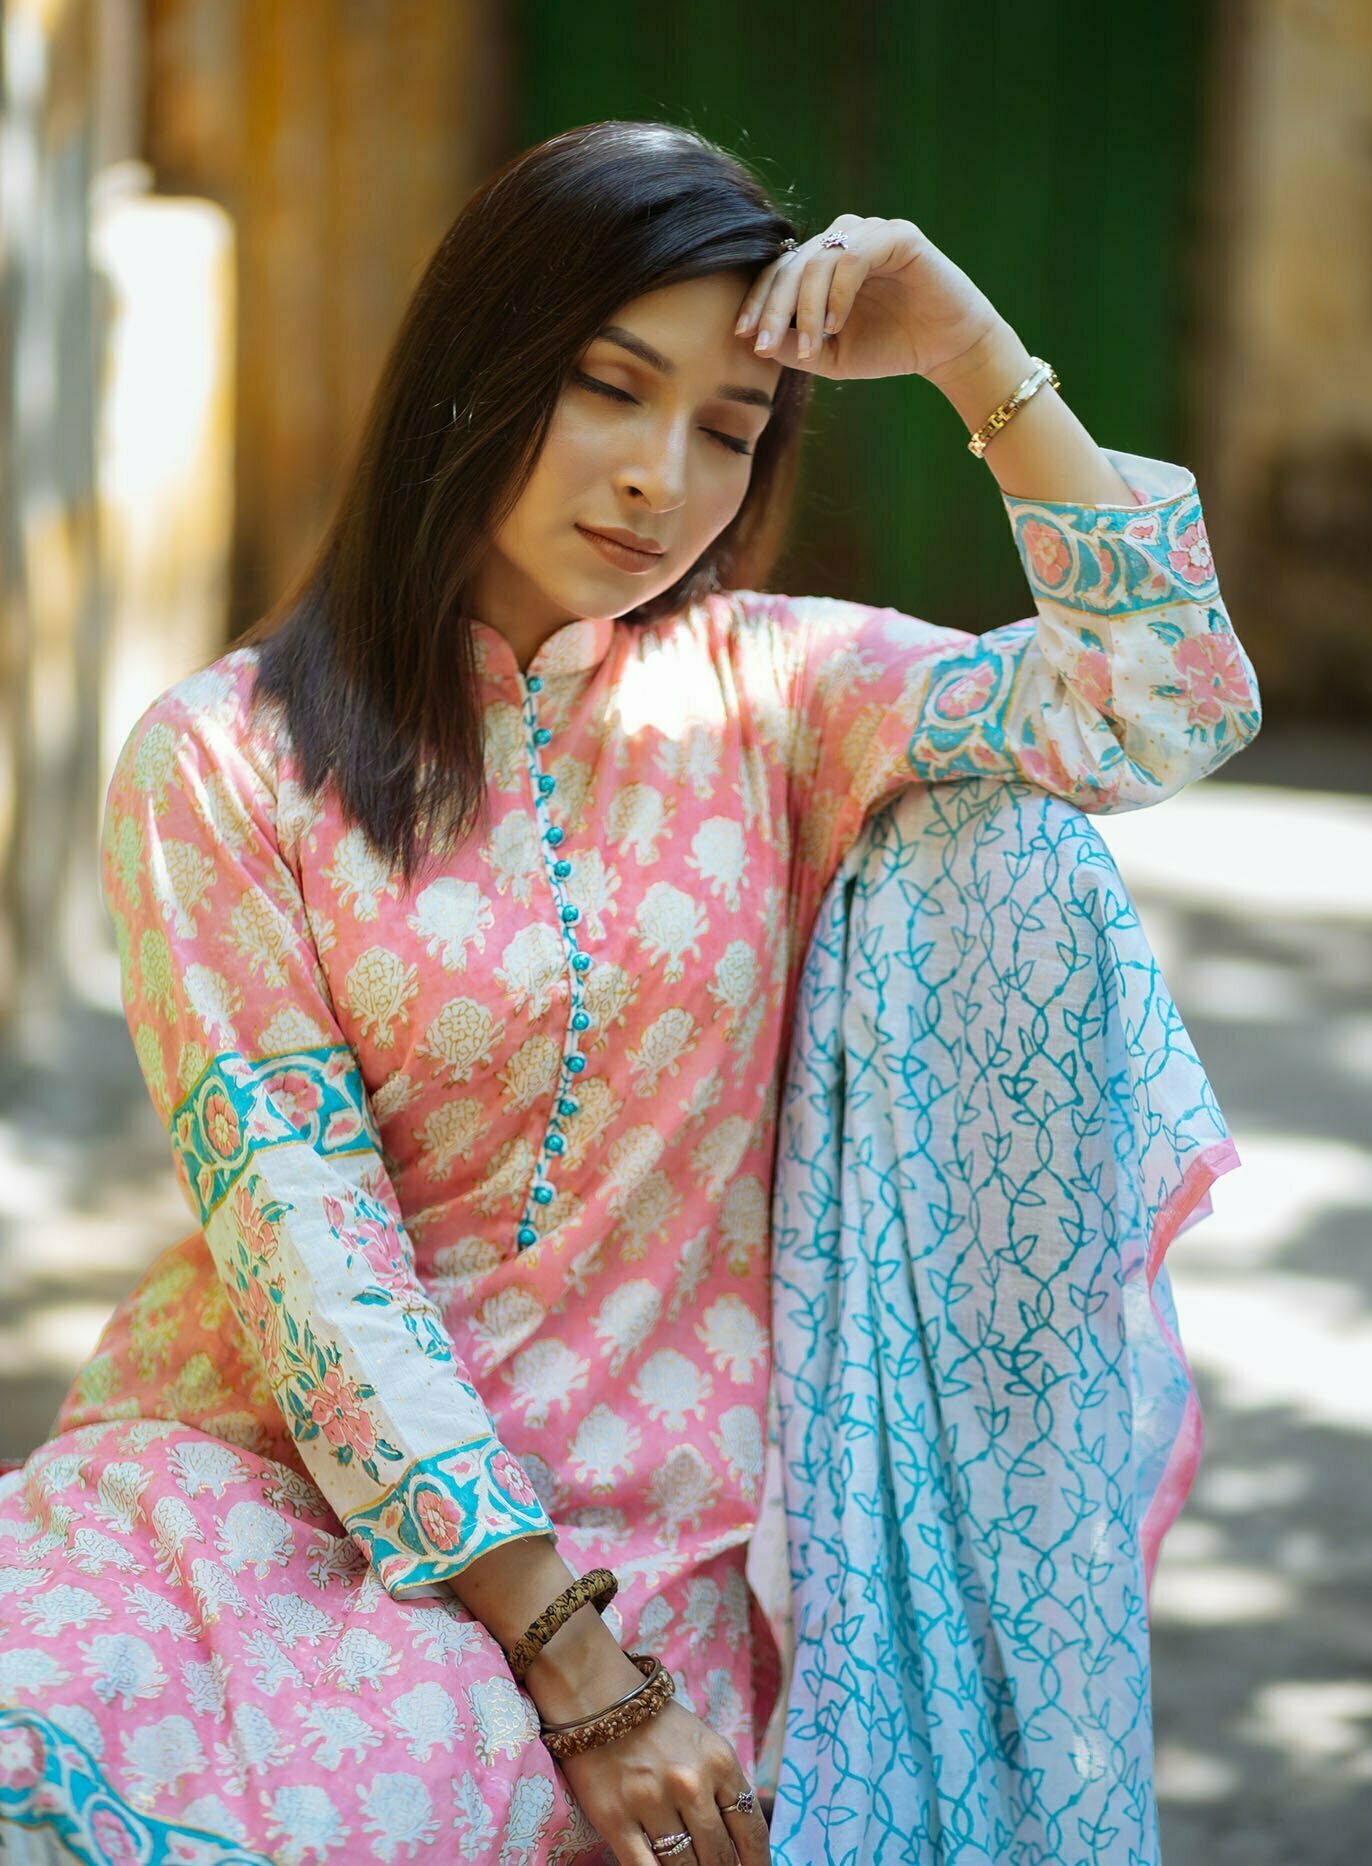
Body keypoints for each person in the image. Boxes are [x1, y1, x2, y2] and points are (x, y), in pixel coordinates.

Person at [0, 119, 1259, 1865]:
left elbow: (1166, 702)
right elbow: (309, 1251)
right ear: (478, 367)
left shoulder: (777, 699)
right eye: (610, 388)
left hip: (673, 1536)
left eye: (728, 429)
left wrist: (978, 359)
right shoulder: (223, 763)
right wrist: (576, 1670)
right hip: (282, 1497)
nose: (664, 477)